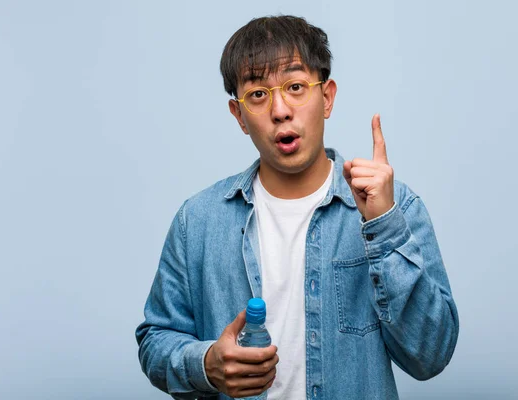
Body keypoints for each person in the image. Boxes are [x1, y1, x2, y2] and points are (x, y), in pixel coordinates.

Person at [136, 15, 459, 400]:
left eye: (295, 86)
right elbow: (155, 339)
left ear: (326, 97)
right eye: (258, 94)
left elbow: (431, 356)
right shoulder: (199, 220)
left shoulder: (395, 207)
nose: (280, 110)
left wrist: (384, 227)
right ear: (239, 116)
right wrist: (205, 364)